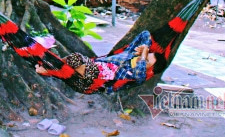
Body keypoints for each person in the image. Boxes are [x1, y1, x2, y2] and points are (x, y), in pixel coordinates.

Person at [36, 30, 167, 93]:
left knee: (81, 63)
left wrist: (144, 56)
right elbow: (145, 34)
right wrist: (145, 47)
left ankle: (50, 71)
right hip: (90, 67)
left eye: (147, 62)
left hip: (93, 82)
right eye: (147, 56)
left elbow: (140, 73)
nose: (143, 59)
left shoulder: (138, 75)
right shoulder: (131, 53)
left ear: (150, 69)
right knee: (75, 58)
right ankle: (50, 68)